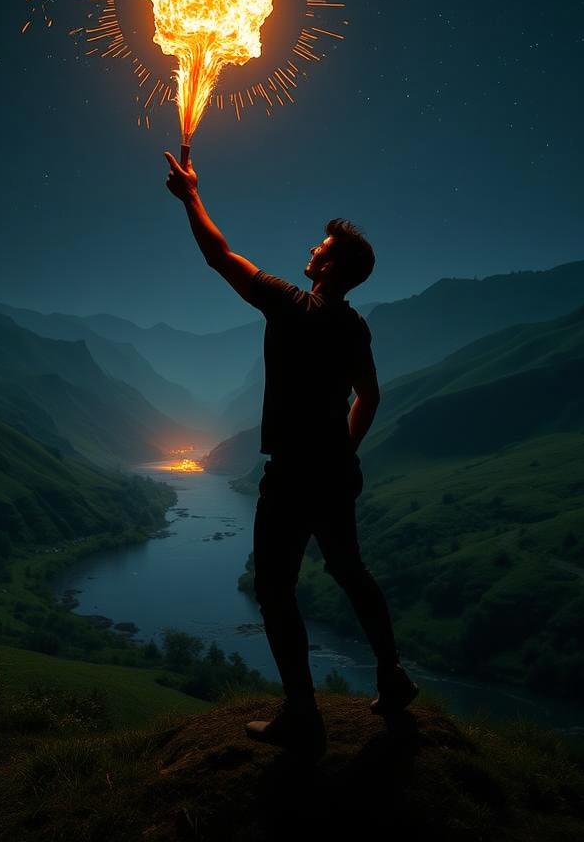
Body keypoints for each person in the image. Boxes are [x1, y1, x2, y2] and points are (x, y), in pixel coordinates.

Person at [163, 147, 418, 760]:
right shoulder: (354, 327)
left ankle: (302, 715)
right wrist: (343, 452)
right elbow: (371, 396)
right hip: (333, 473)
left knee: (276, 591)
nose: (312, 249)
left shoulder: (287, 302)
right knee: (350, 571)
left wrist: (191, 196)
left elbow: (218, 256)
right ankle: (392, 675)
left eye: (321, 249)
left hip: (290, 478)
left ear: (330, 270)